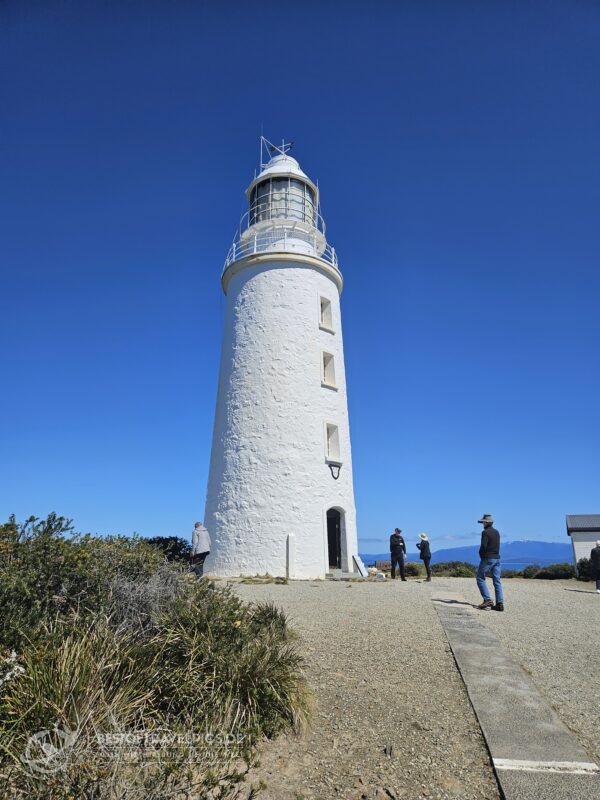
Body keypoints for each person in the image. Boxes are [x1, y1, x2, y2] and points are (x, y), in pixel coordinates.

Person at [475, 514, 503, 611]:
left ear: (486, 522)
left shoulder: (485, 532)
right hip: (497, 558)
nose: (482, 524)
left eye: (483, 522)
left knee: (480, 578)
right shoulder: (497, 532)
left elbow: (483, 546)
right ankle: (500, 603)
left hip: (488, 558)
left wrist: (481, 556)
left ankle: (487, 599)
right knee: (497, 581)